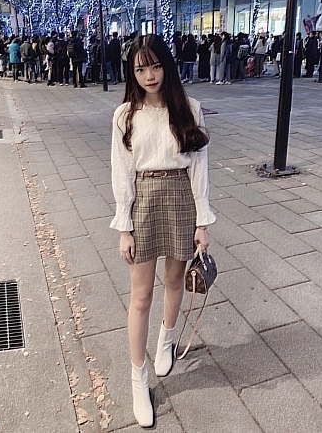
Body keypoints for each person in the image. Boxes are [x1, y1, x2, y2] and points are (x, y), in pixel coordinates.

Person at [110, 34, 215, 428]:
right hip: (143, 201)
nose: (149, 75)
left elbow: (199, 168)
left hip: (181, 198)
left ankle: (167, 339)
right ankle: (138, 378)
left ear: (167, 66)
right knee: (140, 296)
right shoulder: (125, 115)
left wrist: (202, 221)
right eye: (140, 69)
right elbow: (121, 171)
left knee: (174, 280)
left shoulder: (190, 108)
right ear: (132, 73)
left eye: (155, 66)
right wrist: (124, 226)